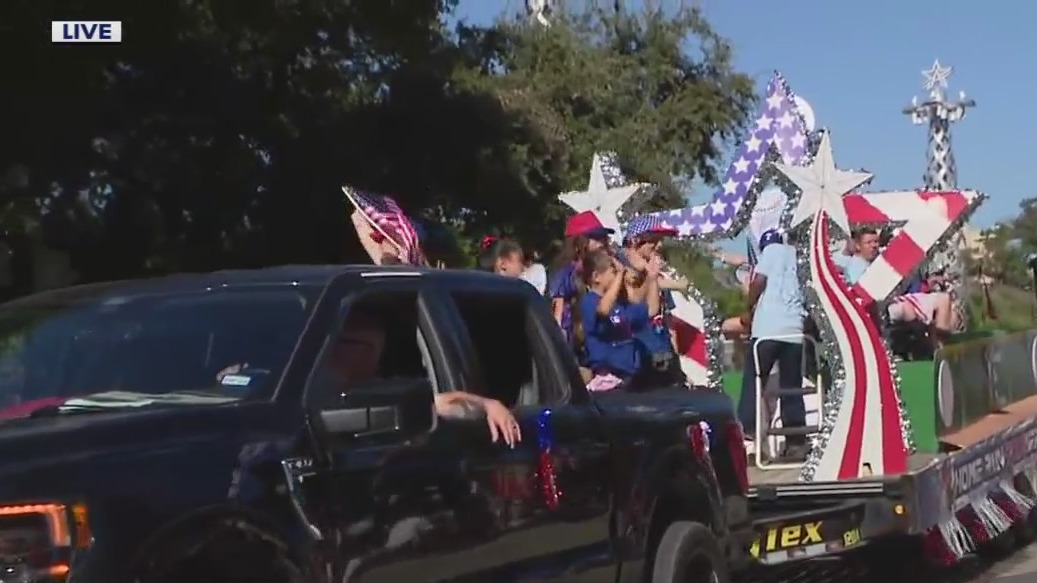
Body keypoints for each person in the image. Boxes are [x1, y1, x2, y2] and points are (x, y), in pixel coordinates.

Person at [316, 311, 522, 446]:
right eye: (341, 342)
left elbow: (440, 404)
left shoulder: (385, 392)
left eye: (355, 344)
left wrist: (488, 405)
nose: (341, 351)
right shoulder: (306, 387)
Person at [736, 230, 808, 455]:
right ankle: (795, 440)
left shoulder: (770, 252)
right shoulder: (797, 256)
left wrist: (748, 308)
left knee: (754, 381)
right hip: (794, 330)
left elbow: (759, 281)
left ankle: (747, 435)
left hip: (768, 329)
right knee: (791, 385)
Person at [841, 228, 957, 343]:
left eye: (875, 242)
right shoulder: (856, 267)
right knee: (908, 309)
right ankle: (935, 347)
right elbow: (864, 298)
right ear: (858, 246)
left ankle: (938, 347)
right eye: (868, 242)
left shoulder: (878, 261)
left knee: (950, 310)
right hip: (880, 309)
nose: (874, 245)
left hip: (893, 301)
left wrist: (926, 284)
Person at [579, 250, 660, 389]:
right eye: (613, 272)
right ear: (596, 277)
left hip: (628, 378)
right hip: (606, 378)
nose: (618, 277)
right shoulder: (589, 301)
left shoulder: (620, 305)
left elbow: (651, 310)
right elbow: (603, 309)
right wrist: (621, 273)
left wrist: (652, 279)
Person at [620, 215, 684, 384]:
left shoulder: (654, 273)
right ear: (635, 241)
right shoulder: (620, 272)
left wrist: (675, 356)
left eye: (660, 240)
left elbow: (666, 318)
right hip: (638, 356)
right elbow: (642, 308)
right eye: (653, 241)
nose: (659, 246)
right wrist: (650, 277)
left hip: (663, 353)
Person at [549, 211, 613, 347]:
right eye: (595, 237)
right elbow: (558, 307)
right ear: (579, 241)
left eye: (603, 237)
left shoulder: (608, 267)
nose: (601, 242)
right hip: (574, 335)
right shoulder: (566, 271)